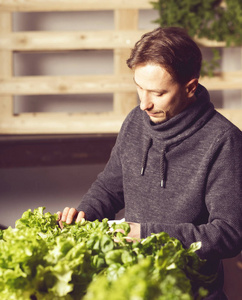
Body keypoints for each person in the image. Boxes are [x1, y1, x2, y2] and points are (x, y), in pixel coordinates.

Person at [58, 27, 242, 299]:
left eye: (157, 93)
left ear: (190, 87)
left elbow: (228, 235)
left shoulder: (224, 141)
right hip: (130, 286)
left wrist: (145, 234)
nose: (144, 104)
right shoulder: (136, 121)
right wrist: (84, 215)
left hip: (189, 292)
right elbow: (110, 188)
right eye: (139, 88)